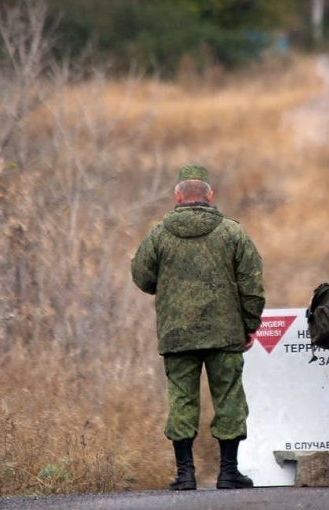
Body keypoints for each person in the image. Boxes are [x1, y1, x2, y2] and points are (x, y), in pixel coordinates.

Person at [131, 165, 265, 491]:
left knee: (181, 401)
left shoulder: (158, 234)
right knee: (229, 398)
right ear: (210, 196)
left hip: (177, 335)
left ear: (177, 196)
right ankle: (229, 472)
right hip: (225, 334)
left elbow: (142, 277)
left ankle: (185, 474)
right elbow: (252, 285)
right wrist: (250, 325)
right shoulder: (232, 232)